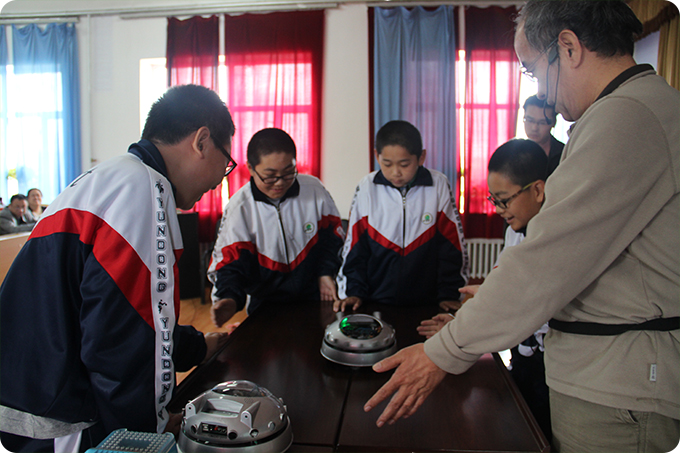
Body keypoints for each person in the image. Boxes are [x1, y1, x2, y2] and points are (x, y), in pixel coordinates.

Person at [363, 2, 679, 452]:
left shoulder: (626, 118)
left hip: (617, 387)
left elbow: (544, 263)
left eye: (531, 70)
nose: (541, 94)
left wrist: (445, 350)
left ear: (568, 47)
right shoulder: (625, 111)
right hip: (607, 376)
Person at [0, 84, 235, 453]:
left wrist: (196, 347)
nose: (222, 177)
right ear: (202, 142)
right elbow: (123, 342)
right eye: (227, 161)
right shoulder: (144, 190)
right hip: (65, 416)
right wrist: (148, 432)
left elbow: (136, 318)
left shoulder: (114, 176)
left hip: (32, 394)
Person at [418, 139, 552, 442]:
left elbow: (519, 304)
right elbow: (500, 288)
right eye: (494, 200)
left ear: (537, 190)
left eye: (505, 200)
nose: (499, 210)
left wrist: (466, 329)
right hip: (523, 356)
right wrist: (462, 323)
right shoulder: (516, 229)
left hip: (550, 365)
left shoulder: (555, 238)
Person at [208, 127, 344, 326]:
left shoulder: (314, 190)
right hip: (266, 305)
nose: (280, 183)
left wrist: (326, 273)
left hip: (315, 297)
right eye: (270, 176)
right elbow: (230, 263)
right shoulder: (240, 207)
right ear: (251, 168)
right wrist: (229, 298)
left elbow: (333, 239)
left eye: (289, 173)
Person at [335, 120, 468, 313]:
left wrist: (449, 293)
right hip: (375, 300)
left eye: (404, 164)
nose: (395, 172)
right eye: (387, 164)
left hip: (427, 301)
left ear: (421, 157)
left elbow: (452, 245)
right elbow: (354, 246)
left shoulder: (437, 185)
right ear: (377, 156)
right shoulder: (367, 187)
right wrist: (353, 291)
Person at [522, 95, 564, 176]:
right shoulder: (514, 152)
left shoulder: (565, 154)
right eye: (530, 120)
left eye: (542, 123)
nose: (534, 128)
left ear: (554, 123)